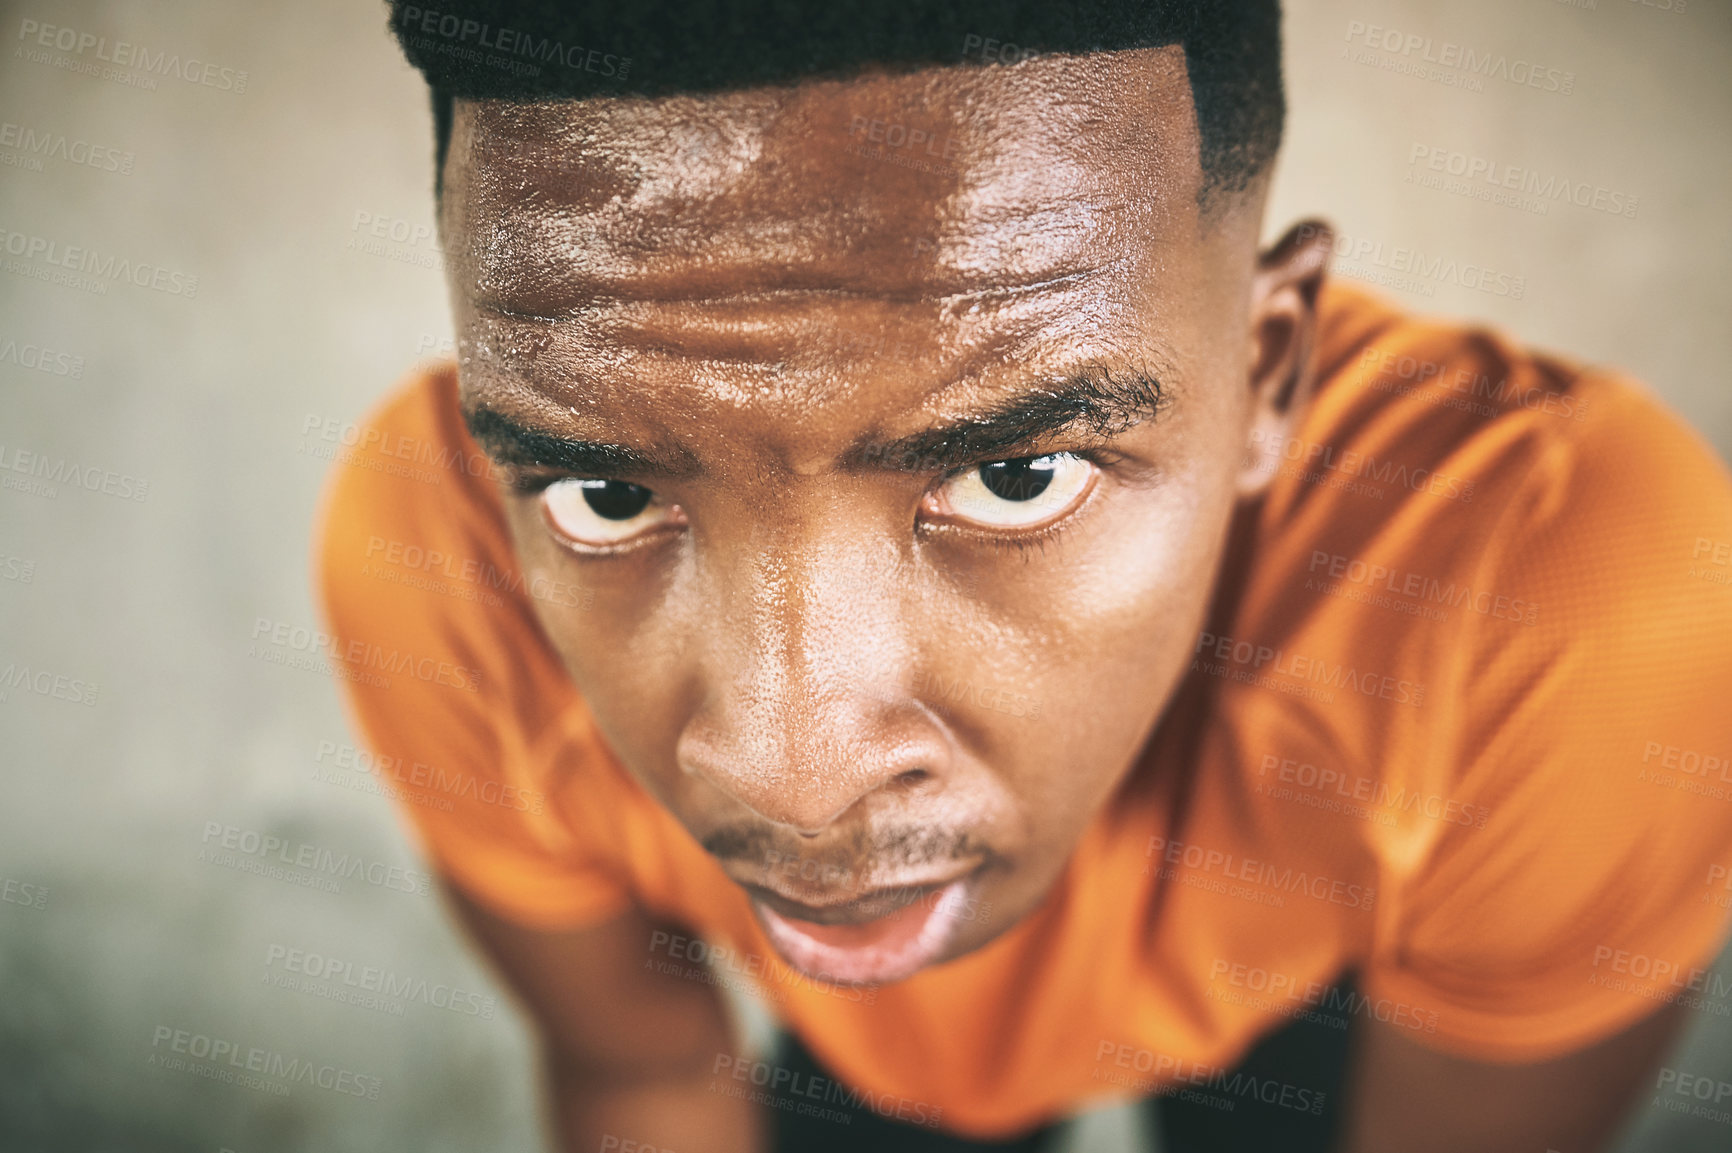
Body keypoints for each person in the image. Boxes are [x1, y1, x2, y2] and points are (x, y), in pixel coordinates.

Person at [316, 2, 1732, 1149]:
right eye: (610, 493)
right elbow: (638, 1071)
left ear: (1269, 368)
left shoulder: (1567, 606)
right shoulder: (439, 556)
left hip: (1325, 974)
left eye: (1013, 474)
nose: (790, 778)